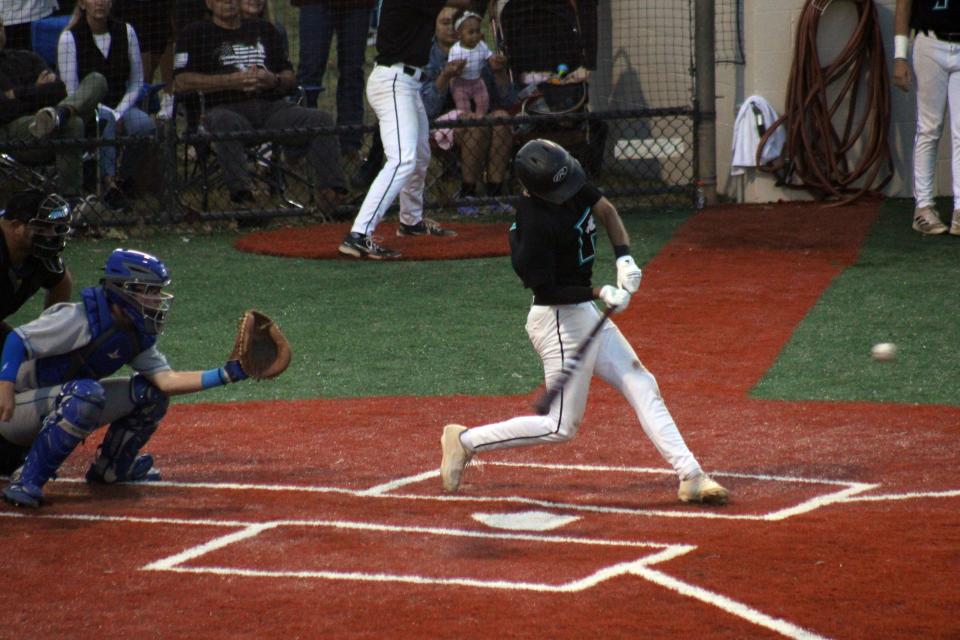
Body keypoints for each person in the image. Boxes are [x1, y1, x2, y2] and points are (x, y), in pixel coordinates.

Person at [438, 139, 730, 506]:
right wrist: (599, 292)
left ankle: (691, 475)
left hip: (582, 313)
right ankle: (464, 441)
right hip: (558, 320)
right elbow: (547, 292)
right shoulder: (533, 229)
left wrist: (624, 257)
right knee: (560, 427)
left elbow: (605, 209)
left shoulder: (567, 178)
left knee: (641, 381)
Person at [0, 248, 258, 508]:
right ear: (126, 290)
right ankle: (27, 480)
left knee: (150, 394)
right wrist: (5, 386)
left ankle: (111, 468)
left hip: (57, 402)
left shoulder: (133, 333)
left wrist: (226, 374)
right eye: (152, 292)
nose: (158, 300)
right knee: (85, 394)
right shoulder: (79, 318)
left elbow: (166, 380)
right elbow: (17, 340)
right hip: (12, 412)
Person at [173, 0, 347, 212]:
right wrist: (231, 81)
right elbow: (180, 82)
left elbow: (290, 78)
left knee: (321, 119)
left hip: (271, 108)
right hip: (224, 108)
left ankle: (333, 195)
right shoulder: (196, 32)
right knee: (223, 121)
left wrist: (272, 79)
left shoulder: (264, 29)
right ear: (208, 3)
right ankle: (242, 199)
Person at [338, 0, 475, 261]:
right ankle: (358, 234)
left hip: (407, 83)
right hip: (392, 81)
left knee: (420, 155)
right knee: (403, 158)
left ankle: (410, 221)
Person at [58, 0, 157, 211]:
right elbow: (71, 90)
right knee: (105, 121)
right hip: (87, 109)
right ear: (83, 4)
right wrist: (107, 114)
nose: (100, 3)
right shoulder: (69, 38)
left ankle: (124, 180)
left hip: (122, 104)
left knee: (144, 125)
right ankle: (108, 185)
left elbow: (137, 81)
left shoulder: (126, 31)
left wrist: (119, 112)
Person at [0, 16, 108, 200]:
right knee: (73, 124)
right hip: (17, 134)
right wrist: (36, 91)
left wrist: (16, 94)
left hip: (52, 123)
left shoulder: (26, 57)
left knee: (97, 80)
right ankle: (70, 199)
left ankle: (60, 114)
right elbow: (4, 111)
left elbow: (59, 90)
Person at [422, 6, 515, 216]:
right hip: (446, 124)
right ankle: (468, 193)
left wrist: (499, 73)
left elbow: (507, 100)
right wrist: (444, 77)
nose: (452, 29)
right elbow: (427, 109)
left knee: (501, 118)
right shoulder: (427, 57)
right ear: (434, 27)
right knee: (476, 125)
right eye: (445, 23)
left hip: (483, 114)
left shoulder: (480, 49)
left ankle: (495, 194)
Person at [893, 0, 960, 236]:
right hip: (930, 42)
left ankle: (959, 210)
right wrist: (900, 56)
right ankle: (923, 207)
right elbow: (904, 5)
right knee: (929, 128)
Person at [292, 0, 373, 157]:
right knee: (310, 71)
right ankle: (298, 144)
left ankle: (350, 144)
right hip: (315, 5)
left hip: (358, 5)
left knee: (352, 71)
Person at [0, 190, 72, 343]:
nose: (52, 236)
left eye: (57, 228)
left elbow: (61, 282)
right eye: (42, 228)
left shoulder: (37, 254)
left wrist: (47, 333)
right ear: (16, 227)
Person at [447, 10, 493, 119]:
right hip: (460, 83)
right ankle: (467, 118)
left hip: (477, 81)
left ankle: (480, 116)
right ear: (459, 34)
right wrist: (458, 66)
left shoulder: (481, 45)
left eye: (478, 31)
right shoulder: (456, 50)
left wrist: (493, 59)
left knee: (483, 100)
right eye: (471, 32)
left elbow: (489, 56)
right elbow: (451, 67)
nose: (476, 35)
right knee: (462, 103)